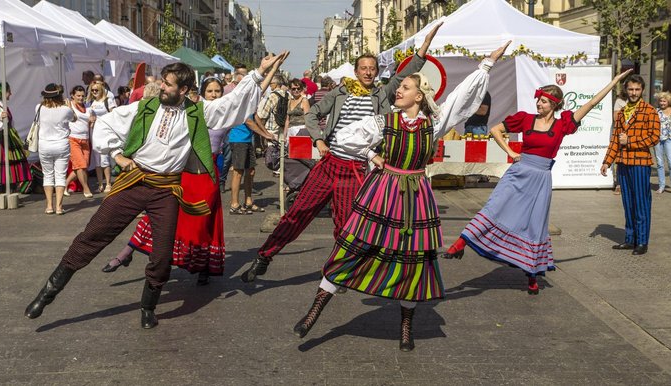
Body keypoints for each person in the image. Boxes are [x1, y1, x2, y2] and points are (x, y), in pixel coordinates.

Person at [24, 54, 287, 329]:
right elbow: (106, 124)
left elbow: (231, 104)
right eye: (162, 82)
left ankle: (148, 306)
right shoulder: (144, 108)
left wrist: (258, 73)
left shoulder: (198, 112)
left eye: (168, 84)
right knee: (93, 235)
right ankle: (48, 293)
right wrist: (117, 155)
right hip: (134, 181)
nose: (162, 87)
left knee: (161, 256)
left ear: (183, 90)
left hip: (167, 190)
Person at [292, 42, 510, 352]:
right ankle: (315, 311)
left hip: (415, 198)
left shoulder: (432, 124)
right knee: (353, 248)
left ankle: (406, 325)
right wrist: (371, 154)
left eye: (405, 87)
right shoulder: (385, 121)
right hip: (382, 193)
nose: (398, 90)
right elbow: (344, 138)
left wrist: (486, 65)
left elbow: (461, 99)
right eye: (400, 86)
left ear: (419, 96)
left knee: (412, 262)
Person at [240, 23, 445, 283]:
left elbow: (405, 73)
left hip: (357, 168)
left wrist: (423, 49)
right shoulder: (340, 92)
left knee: (346, 225)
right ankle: (264, 257)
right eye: (364, 68)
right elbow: (313, 114)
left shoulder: (383, 94)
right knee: (298, 213)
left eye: (372, 68)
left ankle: (339, 272)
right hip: (330, 163)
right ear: (356, 71)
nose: (369, 72)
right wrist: (318, 140)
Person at [443, 69, 634, 295]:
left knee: (534, 225)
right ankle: (460, 244)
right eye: (538, 100)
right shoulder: (525, 118)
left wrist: (614, 82)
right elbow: (495, 130)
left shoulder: (563, 123)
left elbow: (591, 104)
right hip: (519, 172)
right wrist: (511, 153)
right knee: (494, 207)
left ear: (554, 105)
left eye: (543, 101)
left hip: (541, 177)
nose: (539, 104)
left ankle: (532, 275)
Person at [101, 61, 285, 286]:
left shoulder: (219, 111)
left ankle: (202, 267)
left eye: (218, 90)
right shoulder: (194, 109)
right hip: (185, 173)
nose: (215, 94)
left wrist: (267, 71)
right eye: (210, 91)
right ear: (197, 93)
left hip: (207, 175)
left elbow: (243, 99)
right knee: (160, 219)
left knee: (201, 225)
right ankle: (130, 253)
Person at [601, 74, 660, 256]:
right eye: (630, 89)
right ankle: (630, 239)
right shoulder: (621, 113)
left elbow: (654, 137)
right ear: (626, 91)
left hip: (641, 163)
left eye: (637, 89)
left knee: (641, 203)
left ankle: (642, 242)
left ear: (642, 90)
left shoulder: (650, 111)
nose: (634, 93)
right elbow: (615, 140)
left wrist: (630, 140)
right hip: (623, 163)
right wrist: (607, 161)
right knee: (627, 203)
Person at [37, 84, 76, 214]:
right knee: (60, 175)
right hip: (61, 145)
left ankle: (49, 206)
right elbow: (74, 118)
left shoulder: (39, 107)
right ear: (59, 95)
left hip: (44, 145)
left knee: (47, 175)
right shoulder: (65, 110)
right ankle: (59, 207)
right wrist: (70, 107)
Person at [0, 83, 31, 192]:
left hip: (9, 136)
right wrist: (0, 117)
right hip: (0, 139)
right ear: (2, 92)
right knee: (4, 163)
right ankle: (3, 192)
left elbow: (11, 123)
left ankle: (11, 189)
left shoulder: (3, 106)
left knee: (13, 163)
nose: (11, 93)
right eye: (9, 91)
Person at [228, 114, 274, 214]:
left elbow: (255, 116)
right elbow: (248, 121)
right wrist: (264, 135)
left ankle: (248, 203)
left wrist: (266, 133)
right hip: (238, 140)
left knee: (251, 171)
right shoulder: (241, 100)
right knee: (238, 172)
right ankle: (234, 205)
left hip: (247, 140)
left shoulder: (250, 100)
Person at [64, 85, 95, 198]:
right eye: (78, 95)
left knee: (83, 166)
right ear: (73, 95)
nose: (81, 98)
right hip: (73, 138)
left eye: (82, 96)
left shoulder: (88, 107)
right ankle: (86, 189)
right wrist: (68, 107)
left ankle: (65, 185)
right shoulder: (68, 104)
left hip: (85, 139)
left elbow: (91, 123)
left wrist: (92, 121)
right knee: (80, 165)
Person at [87, 81, 117, 193]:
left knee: (104, 158)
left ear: (101, 90)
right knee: (97, 160)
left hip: (104, 132)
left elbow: (114, 115)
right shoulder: (90, 102)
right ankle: (100, 183)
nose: (94, 92)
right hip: (93, 132)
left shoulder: (107, 101)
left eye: (96, 90)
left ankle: (108, 183)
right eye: (92, 90)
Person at [653, 91, 671, 193]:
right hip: (657, 140)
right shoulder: (656, 111)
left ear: (668, 101)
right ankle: (661, 185)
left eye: (664, 101)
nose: (662, 103)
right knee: (660, 163)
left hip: (669, 139)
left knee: (670, 162)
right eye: (661, 101)